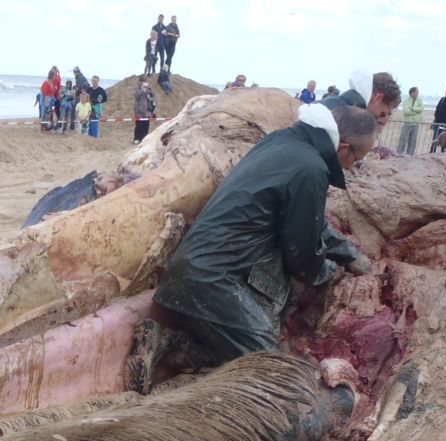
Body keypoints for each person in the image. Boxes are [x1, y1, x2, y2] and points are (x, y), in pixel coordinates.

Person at [129, 105, 378, 392]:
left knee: (233, 351)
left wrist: (348, 252)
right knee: (269, 373)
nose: (351, 167)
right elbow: (301, 253)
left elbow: (310, 219)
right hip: (218, 283)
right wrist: (330, 273)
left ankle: (167, 342)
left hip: (193, 272)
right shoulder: (312, 168)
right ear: (344, 147)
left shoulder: (283, 142)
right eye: (357, 159)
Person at [319, 72, 402, 129]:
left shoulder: (333, 103)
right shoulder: (350, 119)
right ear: (377, 97)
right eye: (382, 114)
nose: (381, 120)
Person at [400, 86, 422, 155]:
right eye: (416, 92)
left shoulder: (419, 101)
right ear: (412, 93)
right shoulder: (406, 101)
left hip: (416, 124)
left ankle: (410, 155)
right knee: (403, 140)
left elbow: (421, 109)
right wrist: (416, 111)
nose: (418, 93)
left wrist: (413, 109)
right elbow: (406, 111)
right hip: (407, 123)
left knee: (413, 141)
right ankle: (399, 154)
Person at [133, 79, 155, 143]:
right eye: (142, 81)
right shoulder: (137, 89)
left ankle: (144, 139)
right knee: (138, 126)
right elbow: (136, 96)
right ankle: (137, 138)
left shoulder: (148, 89)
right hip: (139, 111)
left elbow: (153, 95)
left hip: (147, 111)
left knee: (146, 126)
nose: (143, 83)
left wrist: (150, 89)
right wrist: (142, 90)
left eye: (144, 81)